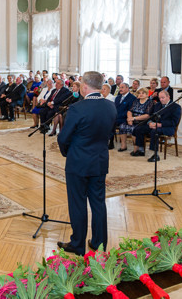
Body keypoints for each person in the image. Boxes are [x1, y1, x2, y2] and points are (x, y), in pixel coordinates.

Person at [56, 71, 116, 256]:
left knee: (78, 203)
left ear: (84, 86)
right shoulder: (111, 107)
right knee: (98, 203)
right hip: (99, 161)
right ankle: (99, 243)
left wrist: (68, 153)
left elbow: (63, 137)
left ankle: (78, 244)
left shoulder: (77, 108)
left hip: (78, 163)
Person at [132, 90, 182, 161]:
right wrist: (149, 122)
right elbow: (151, 116)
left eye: (163, 98)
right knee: (138, 128)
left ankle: (155, 155)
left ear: (168, 97)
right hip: (155, 125)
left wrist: (159, 125)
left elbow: (174, 122)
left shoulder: (176, 107)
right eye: (160, 98)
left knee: (154, 132)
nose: (161, 100)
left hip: (167, 127)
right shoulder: (158, 105)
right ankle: (141, 150)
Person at [119, 87, 153, 153]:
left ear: (147, 94)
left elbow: (147, 115)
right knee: (122, 126)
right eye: (139, 93)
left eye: (143, 93)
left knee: (134, 129)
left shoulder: (150, 102)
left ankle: (136, 148)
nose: (141, 94)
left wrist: (134, 118)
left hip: (142, 121)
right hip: (133, 119)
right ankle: (123, 146)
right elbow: (129, 111)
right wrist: (129, 119)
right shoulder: (136, 101)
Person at [113, 83, 137, 151]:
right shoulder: (117, 98)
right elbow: (115, 108)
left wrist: (118, 116)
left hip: (125, 118)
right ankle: (109, 143)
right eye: (120, 87)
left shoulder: (132, 98)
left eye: (122, 87)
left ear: (127, 88)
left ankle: (124, 145)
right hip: (117, 117)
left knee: (122, 125)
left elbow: (130, 110)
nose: (120, 89)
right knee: (107, 123)